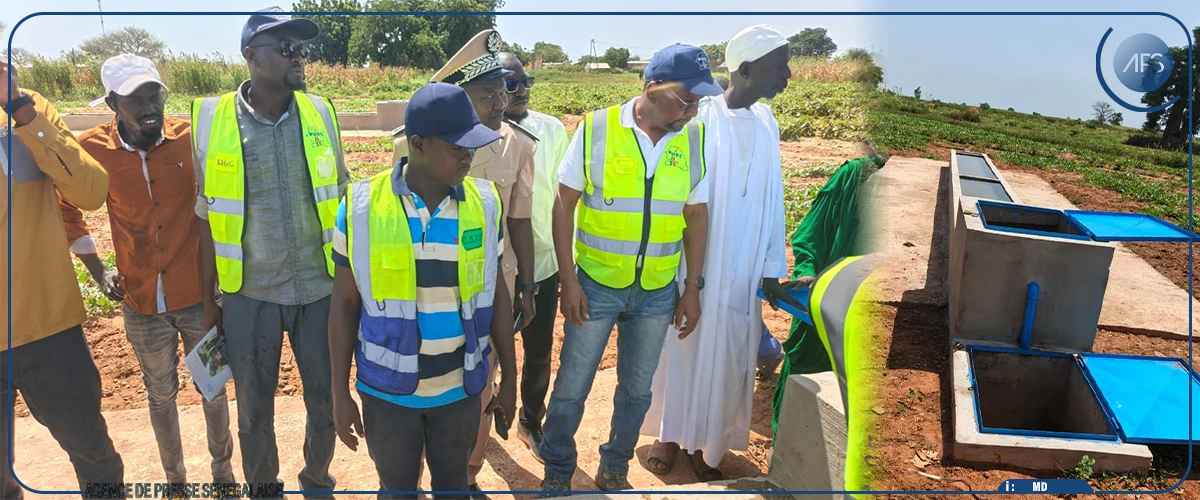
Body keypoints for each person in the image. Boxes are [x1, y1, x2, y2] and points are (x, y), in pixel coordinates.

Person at [537, 44, 719, 494]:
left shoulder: (691, 139)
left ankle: (615, 467)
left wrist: (691, 287)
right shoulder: (597, 128)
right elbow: (563, 207)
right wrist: (568, 279)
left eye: (699, 102)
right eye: (685, 100)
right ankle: (558, 470)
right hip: (595, 286)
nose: (693, 111)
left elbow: (696, 216)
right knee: (572, 387)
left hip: (657, 290)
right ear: (652, 88)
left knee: (637, 391)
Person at [329, 81, 518, 500]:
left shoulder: (485, 204)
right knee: (396, 491)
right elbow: (343, 305)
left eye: (472, 146)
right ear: (418, 144)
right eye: (457, 148)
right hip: (387, 394)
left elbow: (498, 293)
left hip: (459, 390)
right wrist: (339, 393)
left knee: (453, 487)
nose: (469, 156)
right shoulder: (360, 207)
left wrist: (509, 377)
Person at [58, 54, 236, 491]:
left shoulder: (189, 141)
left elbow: (222, 201)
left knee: (213, 389)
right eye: (135, 98)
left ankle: (223, 474)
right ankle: (175, 480)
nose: (148, 105)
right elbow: (66, 208)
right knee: (160, 395)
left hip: (200, 299)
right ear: (112, 103)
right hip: (141, 303)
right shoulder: (93, 151)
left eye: (153, 93)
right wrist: (98, 271)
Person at [190, 7, 349, 496]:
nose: (299, 57)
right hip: (249, 293)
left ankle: (316, 480)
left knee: (324, 401)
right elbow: (204, 217)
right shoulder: (211, 118)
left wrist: (349, 286)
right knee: (254, 410)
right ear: (250, 56)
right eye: (286, 48)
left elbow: (342, 202)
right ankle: (264, 488)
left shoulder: (321, 111)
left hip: (318, 288)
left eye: (302, 48)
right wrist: (207, 301)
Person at [641, 25, 804, 481]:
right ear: (747, 69)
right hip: (696, 266)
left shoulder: (767, 123)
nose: (787, 75)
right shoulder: (700, 116)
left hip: (744, 269)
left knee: (731, 354)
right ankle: (670, 436)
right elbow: (678, 198)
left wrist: (772, 268)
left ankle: (706, 445)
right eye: (780, 66)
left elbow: (773, 199)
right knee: (682, 349)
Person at [392, 30, 537, 497]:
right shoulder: (410, 144)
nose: (500, 103)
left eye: (503, 92)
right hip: (424, 292)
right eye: (487, 94)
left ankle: (467, 474)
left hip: (489, 286)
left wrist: (527, 286)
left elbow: (518, 221)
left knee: (480, 384)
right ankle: (410, 478)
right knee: (420, 388)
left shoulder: (518, 144)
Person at [0, 63, 125, 498]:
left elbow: (90, 192)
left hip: (47, 327)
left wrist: (21, 113)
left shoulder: (30, 110)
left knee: (95, 460)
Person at [770, 150, 885, 437]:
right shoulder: (853, 176)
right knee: (806, 367)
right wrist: (807, 270)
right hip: (825, 294)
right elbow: (812, 232)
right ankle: (782, 440)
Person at [495, 51, 571, 464]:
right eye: (510, 83)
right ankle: (482, 421)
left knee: (539, 351)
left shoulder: (551, 128)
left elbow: (562, 197)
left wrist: (566, 259)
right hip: (493, 268)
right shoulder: (480, 133)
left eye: (526, 82)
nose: (520, 90)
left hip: (543, 263)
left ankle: (530, 420)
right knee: (486, 351)